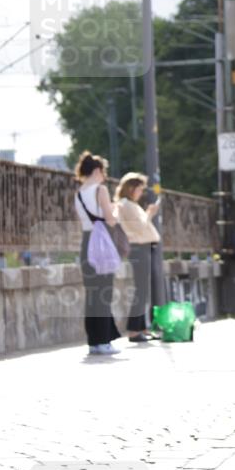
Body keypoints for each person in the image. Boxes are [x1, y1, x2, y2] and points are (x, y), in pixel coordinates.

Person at [73, 151, 122, 355]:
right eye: (103, 172)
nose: (104, 176)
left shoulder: (78, 193)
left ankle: (94, 341)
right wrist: (116, 211)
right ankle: (104, 341)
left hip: (86, 243)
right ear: (97, 170)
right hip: (101, 244)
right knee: (104, 293)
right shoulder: (100, 190)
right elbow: (110, 219)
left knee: (93, 293)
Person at [114, 172, 160, 343]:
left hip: (143, 248)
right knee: (140, 289)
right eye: (139, 189)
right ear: (131, 189)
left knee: (143, 289)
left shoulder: (129, 204)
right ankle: (134, 330)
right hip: (138, 248)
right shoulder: (126, 205)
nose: (141, 193)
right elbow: (139, 226)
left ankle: (140, 327)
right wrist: (150, 212)